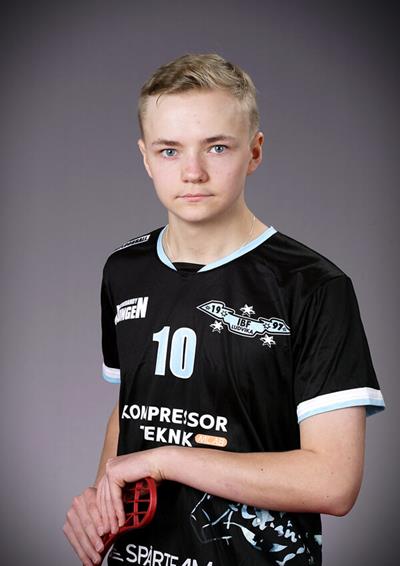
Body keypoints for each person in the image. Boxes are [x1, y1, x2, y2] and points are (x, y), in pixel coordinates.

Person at [63, 53, 385, 566]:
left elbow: (334, 481)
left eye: (217, 147)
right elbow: (130, 408)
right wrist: (102, 498)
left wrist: (166, 461)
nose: (192, 172)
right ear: (145, 157)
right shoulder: (123, 270)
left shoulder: (313, 286)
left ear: (254, 152)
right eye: (170, 150)